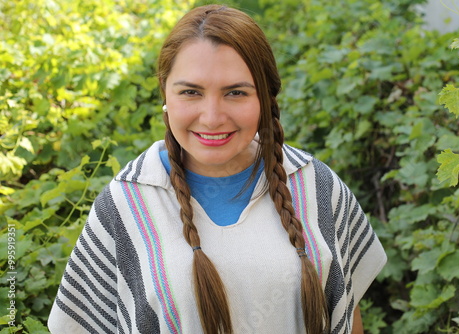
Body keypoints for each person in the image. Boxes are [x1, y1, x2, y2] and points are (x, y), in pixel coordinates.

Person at [48, 4, 386, 334]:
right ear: (165, 92)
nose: (212, 117)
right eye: (191, 92)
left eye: (236, 92)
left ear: (267, 98)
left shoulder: (316, 186)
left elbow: (347, 312)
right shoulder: (125, 204)